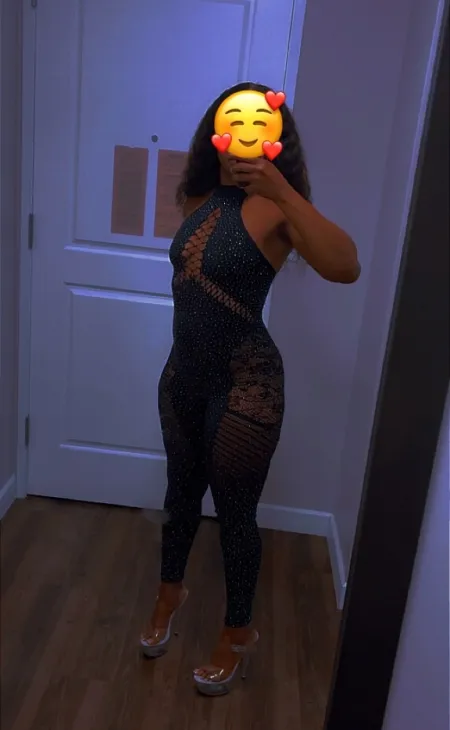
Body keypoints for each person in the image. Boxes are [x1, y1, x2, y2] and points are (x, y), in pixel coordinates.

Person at [140, 82, 360, 696]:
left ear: (276, 137)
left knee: (236, 514)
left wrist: (282, 190)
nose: (243, 132)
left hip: (247, 383)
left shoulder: (279, 208)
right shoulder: (196, 198)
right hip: (182, 375)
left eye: (259, 122)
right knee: (179, 497)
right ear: (215, 132)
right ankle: (169, 593)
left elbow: (346, 267)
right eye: (232, 120)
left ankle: (238, 633)